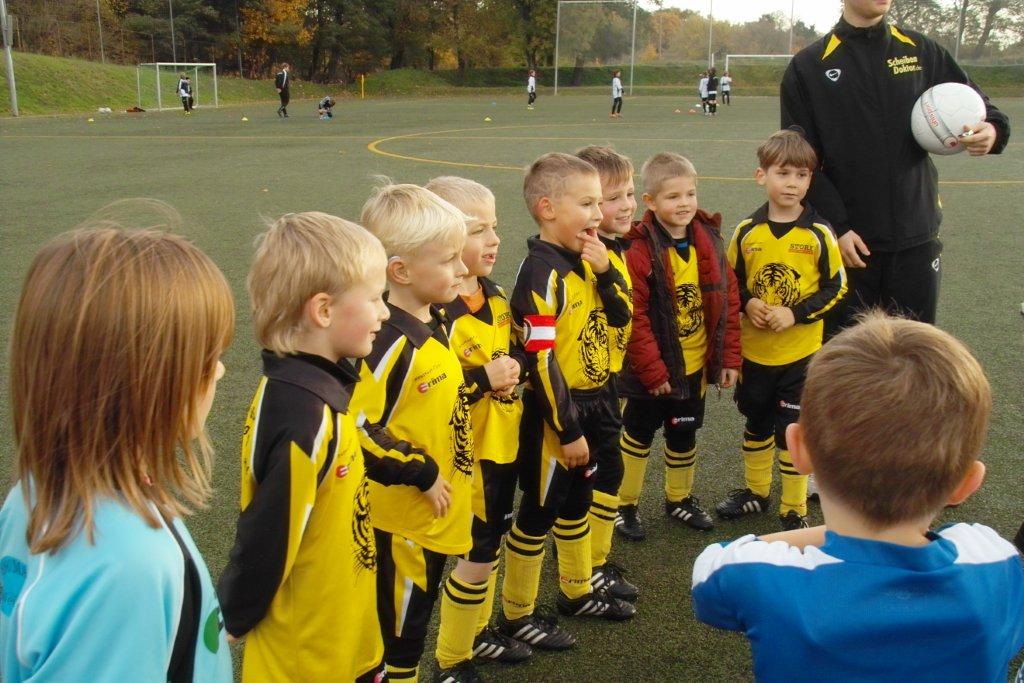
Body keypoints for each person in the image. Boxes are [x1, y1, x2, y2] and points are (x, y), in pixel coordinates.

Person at [692, 312, 1024, 681]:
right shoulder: (996, 561)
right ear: (967, 483)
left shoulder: (760, 573)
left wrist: (837, 532)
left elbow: (710, 569)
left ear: (798, 449)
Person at [0, 209, 234, 682]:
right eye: (207, 358)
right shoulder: (130, 567)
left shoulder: (33, 493)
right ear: (145, 383)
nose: (220, 371)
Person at [217, 213, 389, 682]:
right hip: (306, 657)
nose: (384, 313)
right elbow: (267, 534)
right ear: (323, 311)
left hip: (341, 633)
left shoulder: (318, 391)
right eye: (375, 298)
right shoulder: (301, 414)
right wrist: (233, 615)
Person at [781, 0, 1009, 327]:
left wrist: (992, 130)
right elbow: (800, 160)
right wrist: (838, 228)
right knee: (850, 353)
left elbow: (982, 106)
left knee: (915, 349)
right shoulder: (809, 66)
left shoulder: (920, 51)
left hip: (917, 236)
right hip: (850, 244)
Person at [498, 153, 635, 653]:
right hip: (557, 415)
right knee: (539, 512)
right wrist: (568, 429)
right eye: (587, 204)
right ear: (547, 209)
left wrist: (605, 272)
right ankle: (517, 614)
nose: (599, 214)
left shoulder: (596, 257)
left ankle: (576, 592)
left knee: (579, 501)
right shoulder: (540, 273)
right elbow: (539, 359)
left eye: (600, 203)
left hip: (599, 401)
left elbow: (622, 316)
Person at [355, 183, 478, 682]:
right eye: (449, 259)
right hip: (401, 524)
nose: (463, 269)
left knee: (415, 626)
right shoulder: (384, 343)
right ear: (400, 271)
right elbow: (356, 426)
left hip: (435, 516)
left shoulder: (437, 318)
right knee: (398, 643)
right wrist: (420, 471)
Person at [425, 176, 533, 669]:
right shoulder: (433, 314)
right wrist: (483, 379)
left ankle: (480, 633)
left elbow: (516, 354)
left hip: (502, 442)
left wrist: (514, 369)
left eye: (494, 227)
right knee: (474, 551)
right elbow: (431, 394)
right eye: (478, 230)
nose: (494, 240)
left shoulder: (497, 296)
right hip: (464, 458)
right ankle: (452, 658)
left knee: (489, 545)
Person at [718, 128, 847, 531]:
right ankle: (756, 492)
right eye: (784, 173)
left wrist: (795, 314)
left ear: (810, 180)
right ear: (762, 176)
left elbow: (837, 287)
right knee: (756, 423)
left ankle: (794, 507)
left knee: (794, 431)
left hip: (800, 355)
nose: (792, 183)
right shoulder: (747, 231)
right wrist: (749, 303)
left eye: (802, 175)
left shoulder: (818, 233)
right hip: (755, 354)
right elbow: (730, 283)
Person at [614, 152, 741, 540]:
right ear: (650, 202)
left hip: (694, 366)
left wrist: (728, 358)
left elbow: (728, 300)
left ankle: (679, 498)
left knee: (683, 433)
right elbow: (634, 318)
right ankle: (623, 504)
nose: (684, 203)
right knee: (637, 435)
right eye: (673, 196)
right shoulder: (638, 250)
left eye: (690, 194)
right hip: (651, 372)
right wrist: (653, 372)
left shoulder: (709, 239)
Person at [574, 146, 639, 598]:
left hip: (608, 380)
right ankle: (587, 567)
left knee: (604, 473)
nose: (625, 206)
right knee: (601, 474)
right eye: (612, 198)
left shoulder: (612, 249)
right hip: (583, 390)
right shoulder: (585, 258)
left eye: (629, 194)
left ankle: (590, 561)